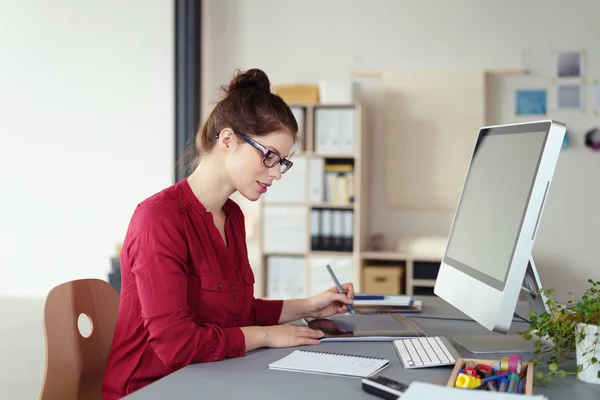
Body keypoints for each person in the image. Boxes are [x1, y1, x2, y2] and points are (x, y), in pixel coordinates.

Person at [101, 68, 355, 399]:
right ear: (228, 140)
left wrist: (310, 307)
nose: (277, 173)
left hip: (204, 378)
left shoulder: (231, 217)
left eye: (283, 163)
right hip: (150, 388)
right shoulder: (158, 219)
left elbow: (236, 311)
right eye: (269, 157)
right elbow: (177, 346)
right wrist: (265, 336)